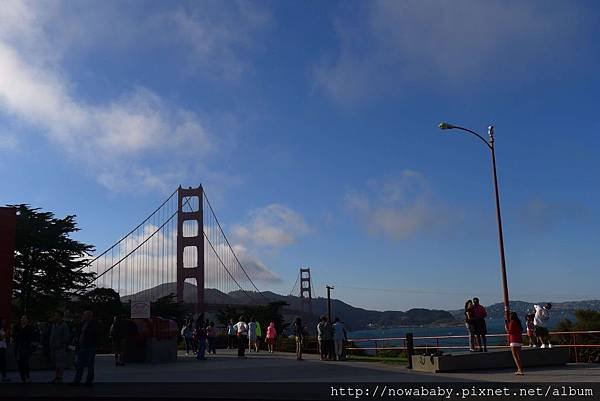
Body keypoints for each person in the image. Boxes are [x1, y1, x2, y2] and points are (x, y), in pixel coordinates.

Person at [71, 311, 97, 386]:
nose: (84, 317)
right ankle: (77, 381)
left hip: (90, 347)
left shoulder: (94, 324)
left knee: (90, 365)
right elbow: (79, 334)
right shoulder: (82, 324)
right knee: (80, 365)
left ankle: (88, 381)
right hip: (82, 347)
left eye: (85, 315)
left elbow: (96, 335)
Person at [49, 311, 70, 383]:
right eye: (55, 315)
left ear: (61, 317)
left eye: (57, 316)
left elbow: (66, 337)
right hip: (53, 347)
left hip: (60, 347)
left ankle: (60, 377)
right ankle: (57, 376)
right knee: (55, 363)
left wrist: (61, 343)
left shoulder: (64, 325)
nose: (55, 317)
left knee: (60, 363)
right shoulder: (54, 324)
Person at [14, 315, 35, 383]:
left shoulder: (30, 328)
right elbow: (14, 336)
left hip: (26, 347)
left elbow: (31, 337)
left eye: (25, 318)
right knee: (19, 362)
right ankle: (22, 377)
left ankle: (27, 377)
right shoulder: (17, 327)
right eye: (22, 318)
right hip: (18, 347)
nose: (23, 320)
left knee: (25, 362)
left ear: (27, 320)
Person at [505, 311, 524, 375]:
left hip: (513, 340)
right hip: (519, 339)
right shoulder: (518, 322)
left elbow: (509, 331)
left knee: (515, 356)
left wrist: (506, 327)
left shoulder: (511, 322)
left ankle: (519, 369)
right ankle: (520, 369)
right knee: (519, 356)